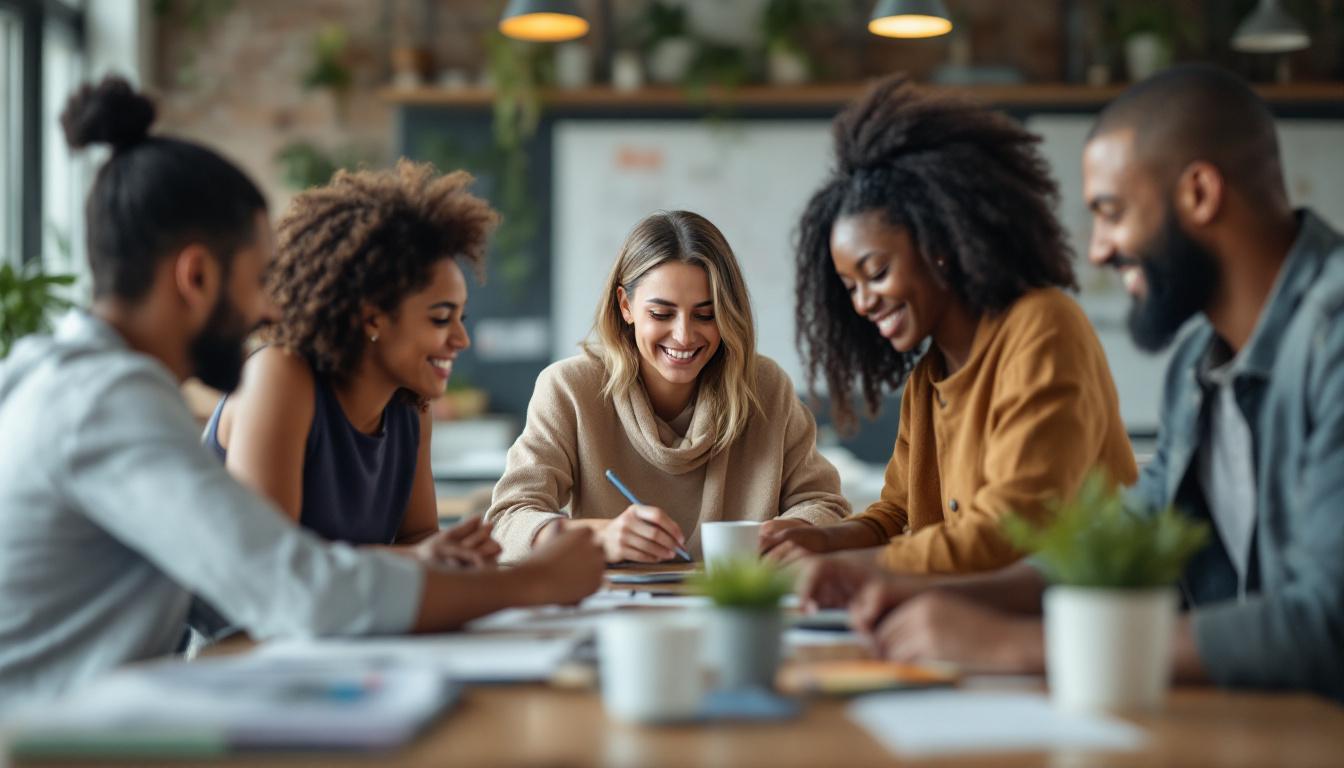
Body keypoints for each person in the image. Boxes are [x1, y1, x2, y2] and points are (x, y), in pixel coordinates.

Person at [0, 76, 604, 709]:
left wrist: (433, 566)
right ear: (197, 277)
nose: (268, 307)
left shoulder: (88, 385)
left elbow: (229, 581)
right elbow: (291, 590)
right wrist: (532, 584)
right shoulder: (103, 401)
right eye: (260, 279)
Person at [800, 64, 1344, 702]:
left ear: (1199, 194)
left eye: (1111, 213)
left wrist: (1012, 645)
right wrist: (918, 588)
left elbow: (1325, 626)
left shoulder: (1331, 338)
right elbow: (1119, 547)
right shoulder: (1200, 359)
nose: (1099, 250)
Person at [763, 74, 1136, 572]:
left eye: (876, 273)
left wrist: (853, 568)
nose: (862, 303)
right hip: (981, 616)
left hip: (1080, 620)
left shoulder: (1042, 326)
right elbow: (896, 514)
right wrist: (822, 541)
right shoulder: (929, 377)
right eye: (850, 287)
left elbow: (1009, 529)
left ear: (939, 248)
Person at [486, 210, 849, 563]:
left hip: (734, 603)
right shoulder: (569, 389)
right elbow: (506, 522)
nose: (684, 335)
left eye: (706, 315)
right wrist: (599, 537)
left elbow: (825, 504)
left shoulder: (766, 388)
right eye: (661, 314)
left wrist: (791, 531)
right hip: (617, 614)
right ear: (625, 306)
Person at [205, 161, 501, 567]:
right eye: (439, 318)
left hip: (340, 627)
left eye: (460, 318)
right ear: (372, 317)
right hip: (243, 630)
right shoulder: (279, 376)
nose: (460, 339)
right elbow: (272, 567)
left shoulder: (411, 403)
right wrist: (425, 559)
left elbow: (419, 540)